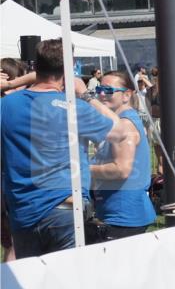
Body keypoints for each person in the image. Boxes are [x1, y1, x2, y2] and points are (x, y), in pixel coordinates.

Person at [1, 39, 132, 257]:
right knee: (69, 277)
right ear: (69, 70)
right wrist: (86, 95)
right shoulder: (74, 108)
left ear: (36, 66)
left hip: (23, 211)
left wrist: (9, 86)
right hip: (65, 210)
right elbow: (120, 132)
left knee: (30, 278)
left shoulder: (6, 105)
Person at [89, 70, 157, 241]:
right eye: (99, 89)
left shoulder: (125, 124)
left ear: (126, 95)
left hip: (124, 215)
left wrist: (82, 168)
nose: (102, 94)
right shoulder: (117, 122)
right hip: (116, 211)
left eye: (108, 90)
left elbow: (121, 169)